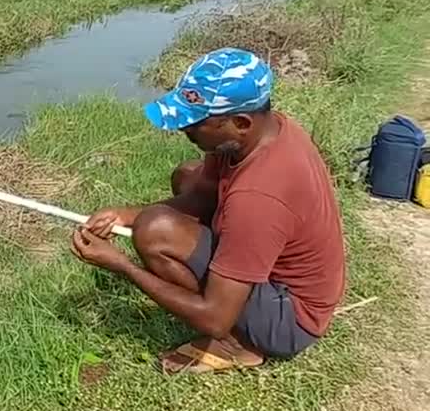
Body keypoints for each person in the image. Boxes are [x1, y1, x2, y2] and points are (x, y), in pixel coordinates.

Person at [70, 47, 346, 374]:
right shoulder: (257, 134)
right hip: (276, 271)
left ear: (241, 122)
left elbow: (214, 317)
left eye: (195, 123)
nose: (184, 130)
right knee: (187, 175)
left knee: (155, 230)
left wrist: (122, 265)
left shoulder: (258, 198)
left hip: (290, 318)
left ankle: (237, 344)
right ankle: (231, 290)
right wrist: (124, 215)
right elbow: (201, 196)